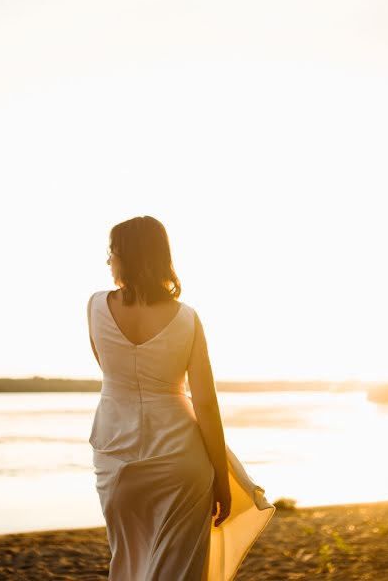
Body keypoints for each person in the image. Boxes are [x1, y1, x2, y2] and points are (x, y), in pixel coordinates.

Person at [86, 215, 275, 580]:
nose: (108, 261)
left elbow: (110, 370)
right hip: (179, 459)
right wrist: (222, 478)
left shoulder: (95, 307)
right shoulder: (187, 318)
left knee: (128, 560)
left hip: (115, 455)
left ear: (127, 255)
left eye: (112, 252)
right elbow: (204, 403)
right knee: (178, 570)